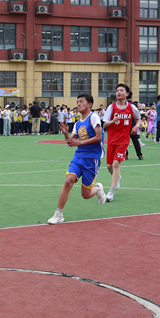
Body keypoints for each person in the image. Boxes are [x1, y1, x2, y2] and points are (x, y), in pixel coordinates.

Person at [47, 94, 106, 224]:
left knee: (86, 195)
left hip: (92, 159)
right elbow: (70, 143)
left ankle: (98, 189)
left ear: (89, 104)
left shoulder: (94, 117)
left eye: (81, 101)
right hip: (79, 157)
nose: (78, 104)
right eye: (77, 102)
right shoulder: (78, 123)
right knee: (68, 181)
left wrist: (80, 142)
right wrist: (66, 134)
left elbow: (99, 137)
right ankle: (58, 214)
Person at [102, 84, 140, 202]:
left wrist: (136, 126)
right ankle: (117, 177)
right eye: (117, 90)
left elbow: (138, 118)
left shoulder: (132, 107)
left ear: (126, 94)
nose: (118, 92)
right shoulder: (111, 107)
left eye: (121, 90)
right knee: (109, 166)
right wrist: (112, 121)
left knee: (116, 164)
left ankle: (111, 192)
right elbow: (105, 124)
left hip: (123, 140)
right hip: (112, 139)